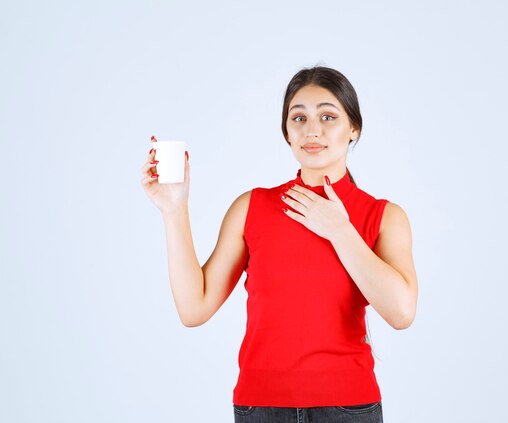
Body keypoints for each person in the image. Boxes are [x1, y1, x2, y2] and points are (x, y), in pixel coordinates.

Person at [140, 65, 418, 423]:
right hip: (260, 408)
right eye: (298, 118)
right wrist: (174, 210)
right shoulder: (251, 208)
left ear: (354, 128)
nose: (312, 129)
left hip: (349, 408)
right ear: (286, 132)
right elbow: (194, 308)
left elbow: (402, 312)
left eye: (328, 116)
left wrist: (339, 230)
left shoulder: (383, 216)